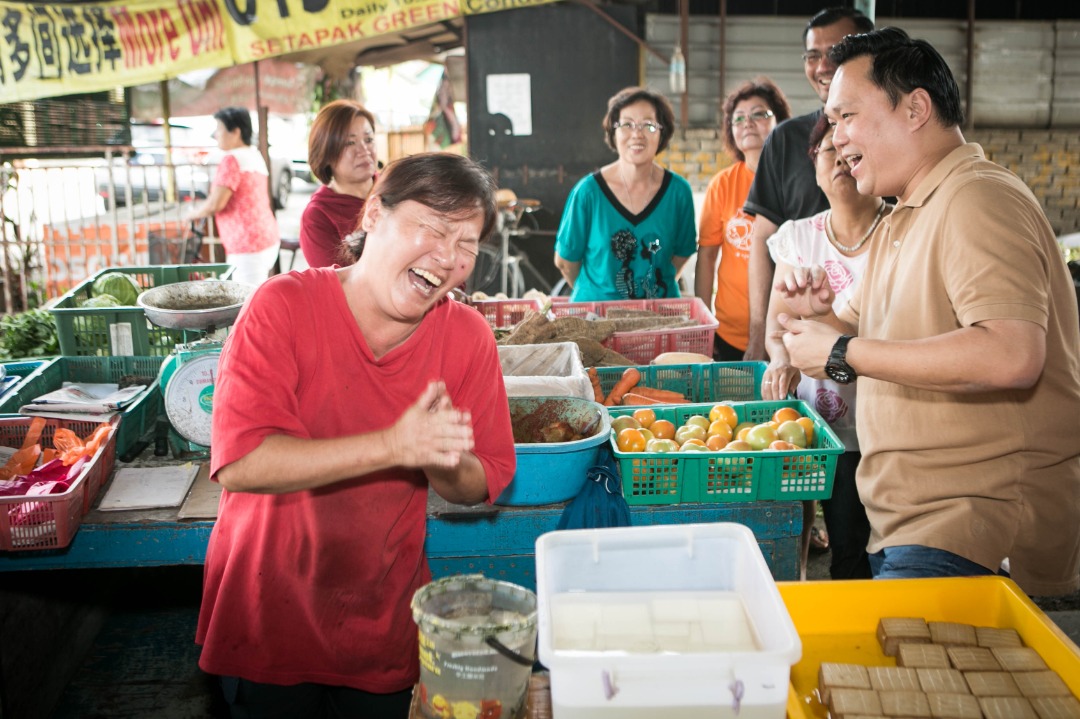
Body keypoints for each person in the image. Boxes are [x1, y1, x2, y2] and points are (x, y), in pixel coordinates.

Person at [196, 153, 517, 718]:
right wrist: (396, 446)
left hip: (380, 621)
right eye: (434, 228)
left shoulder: (467, 338)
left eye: (467, 244)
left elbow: (482, 479)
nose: (448, 258)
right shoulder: (282, 306)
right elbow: (243, 461)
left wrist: (440, 457)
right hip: (269, 613)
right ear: (372, 214)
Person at [777, 27, 1080, 597]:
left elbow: (1011, 353)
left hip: (971, 533)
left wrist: (840, 351)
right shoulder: (905, 215)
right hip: (918, 525)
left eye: (847, 116)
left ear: (916, 108)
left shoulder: (976, 198)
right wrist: (814, 319)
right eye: (832, 122)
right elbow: (846, 330)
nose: (837, 139)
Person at [762, 115, 882, 581]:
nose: (840, 161)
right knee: (848, 548)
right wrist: (781, 362)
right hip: (830, 429)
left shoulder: (900, 231)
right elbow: (778, 331)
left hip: (891, 427)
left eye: (849, 151)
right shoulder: (798, 238)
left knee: (892, 550)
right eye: (828, 152)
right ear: (814, 167)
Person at [743, 7, 874, 359]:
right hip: (800, 343)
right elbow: (761, 239)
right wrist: (760, 336)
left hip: (877, 339)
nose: (822, 66)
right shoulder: (785, 140)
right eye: (813, 56)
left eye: (836, 52)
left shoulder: (885, 134)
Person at [554, 86, 697, 301]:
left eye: (648, 125)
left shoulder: (678, 192)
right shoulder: (588, 192)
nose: (637, 134)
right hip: (596, 321)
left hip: (659, 320)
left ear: (662, 132)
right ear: (614, 132)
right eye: (627, 124)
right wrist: (596, 293)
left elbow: (682, 253)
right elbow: (565, 262)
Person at [695, 77, 791, 361]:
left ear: (780, 122)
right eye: (738, 118)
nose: (747, 122)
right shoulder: (722, 184)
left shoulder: (798, 180)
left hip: (787, 332)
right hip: (728, 334)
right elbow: (707, 257)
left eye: (759, 114)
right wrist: (704, 325)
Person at [187, 107, 281, 286]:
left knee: (246, 303)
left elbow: (216, 203)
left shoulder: (232, 159)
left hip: (246, 246)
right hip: (267, 239)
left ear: (236, 131)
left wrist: (193, 213)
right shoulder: (254, 155)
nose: (216, 135)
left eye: (220, 129)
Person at [301, 99, 379, 268]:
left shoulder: (396, 188)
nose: (364, 150)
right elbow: (338, 284)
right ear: (326, 153)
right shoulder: (318, 217)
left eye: (368, 139)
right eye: (349, 143)